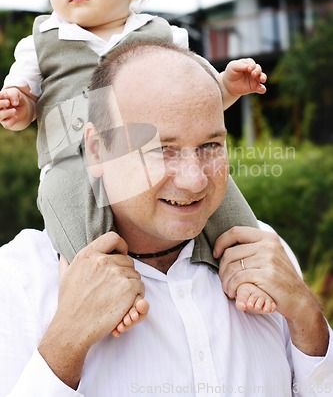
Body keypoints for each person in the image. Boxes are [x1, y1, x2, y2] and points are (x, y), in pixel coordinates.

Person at [0, 41, 332, 396]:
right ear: (97, 150)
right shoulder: (20, 280)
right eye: (162, 150)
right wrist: (64, 345)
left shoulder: (264, 250)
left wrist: (309, 320)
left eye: (211, 146)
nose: (195, 180)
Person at [0, 0, 273, 317]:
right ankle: (101, 286)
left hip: (154, 149)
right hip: (72, 154)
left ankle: (249, 265)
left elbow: (192, 103)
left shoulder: (162, 35)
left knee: (210, 181)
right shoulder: (41, 41)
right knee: (62, 196)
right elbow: (26, 105)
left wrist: (224, 87)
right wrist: (20, 107)